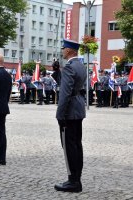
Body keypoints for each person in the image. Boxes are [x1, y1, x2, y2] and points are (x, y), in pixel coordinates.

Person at [55, 39, 86, 193]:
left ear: (70, 51)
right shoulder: (80, 66)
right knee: (77, 145)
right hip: (78, 109)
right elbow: (71, 86)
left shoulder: (69, 67)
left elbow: (65, 93)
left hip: (69, 111)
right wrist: (56, 73)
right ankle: (76, 178)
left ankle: (72, 181)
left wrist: (60, 115)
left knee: (69, 147)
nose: (62, 51)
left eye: (64, 48)